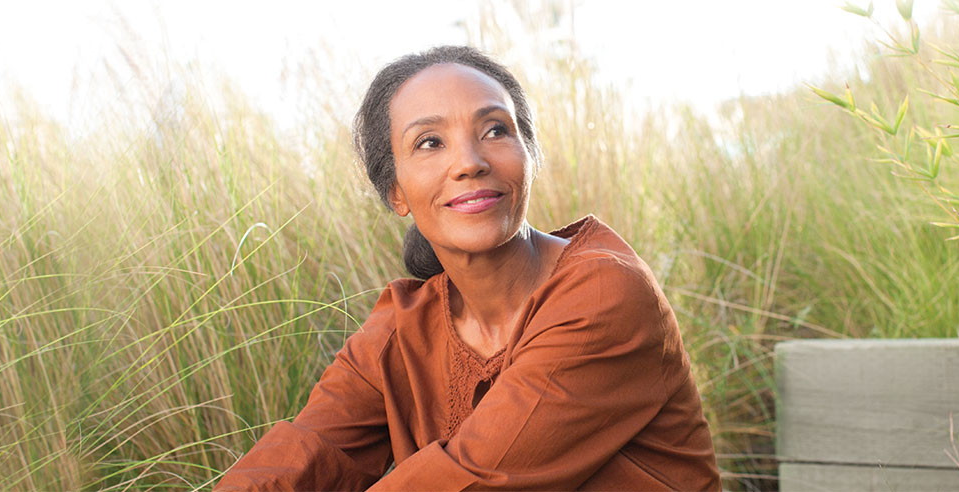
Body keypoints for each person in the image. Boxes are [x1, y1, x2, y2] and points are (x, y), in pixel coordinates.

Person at [215, 46, 720, 491]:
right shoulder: (402, 328)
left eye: (495, 130)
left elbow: (475, 476)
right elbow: (309, 453)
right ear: (396, 193)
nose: (470, 161)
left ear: (529, 158)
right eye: (430, 142)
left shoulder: (604, 293)